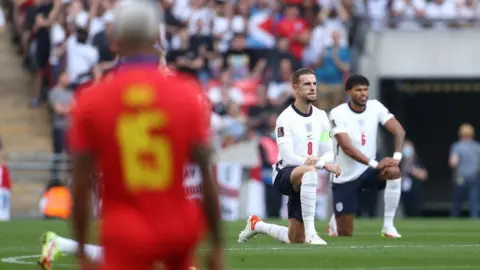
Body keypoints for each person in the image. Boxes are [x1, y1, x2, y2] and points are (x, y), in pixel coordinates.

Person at [67, 1, 222, 270]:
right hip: (179, 225)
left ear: (115, 41)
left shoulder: (91, 100)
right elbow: (206, 174)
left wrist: (81, 249)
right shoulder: (187, 93)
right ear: (156, 38)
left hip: (125, 228)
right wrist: (217, 246)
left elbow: (80, 185)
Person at [237, 68, 341, 245]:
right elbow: (287, 156)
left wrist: (321, 161)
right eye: (307, 84)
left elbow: (328, 150)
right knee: (310, 172)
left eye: (314, 84)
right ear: (296, 88)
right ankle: (312, 233)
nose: (313, 88)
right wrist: (320, 165)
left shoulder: (322, 117)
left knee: (294, 238)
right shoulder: (285, 118)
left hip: (306, 177)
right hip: (285, 174)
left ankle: (257, 225)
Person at [326, 74, 406, 238]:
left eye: (365, 90)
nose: (363, 93)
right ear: (348, 92)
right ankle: (336, 220)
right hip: (344, 176)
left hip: (368, 171)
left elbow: (399, 131)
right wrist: (375, 164)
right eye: (358, 90)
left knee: (393, 172)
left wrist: (396, 158)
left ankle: (388, 227)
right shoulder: (337, 113)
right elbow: (347, 148)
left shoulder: (375, 106)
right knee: (345, 233)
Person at [449, 123, 480, 218]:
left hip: (460, 178)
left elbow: (452, 163)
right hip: (474, 177)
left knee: (457, 202)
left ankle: (453, 222)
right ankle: (475, 225)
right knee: (474, 202)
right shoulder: (477, 147)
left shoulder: (457, 147)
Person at [401, 140, 428, 217]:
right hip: (404, 189)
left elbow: (424, 175)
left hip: (416, 189)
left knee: (416, 210)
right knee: (406, 210)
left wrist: (413, 171)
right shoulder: (400, 162)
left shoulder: (418, 161)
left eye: (409, 148)